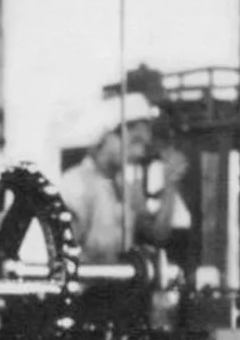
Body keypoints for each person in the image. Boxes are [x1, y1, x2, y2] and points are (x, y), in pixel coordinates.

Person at [59, 93, 190, 265]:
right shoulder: (76, 185)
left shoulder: (125, 187)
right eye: (135, 140)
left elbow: (157, 235)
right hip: (87, 287)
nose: (140, 152)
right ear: (105, 136)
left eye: (143, 144)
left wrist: (170, 184)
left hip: (118, 285)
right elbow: (64, 256)